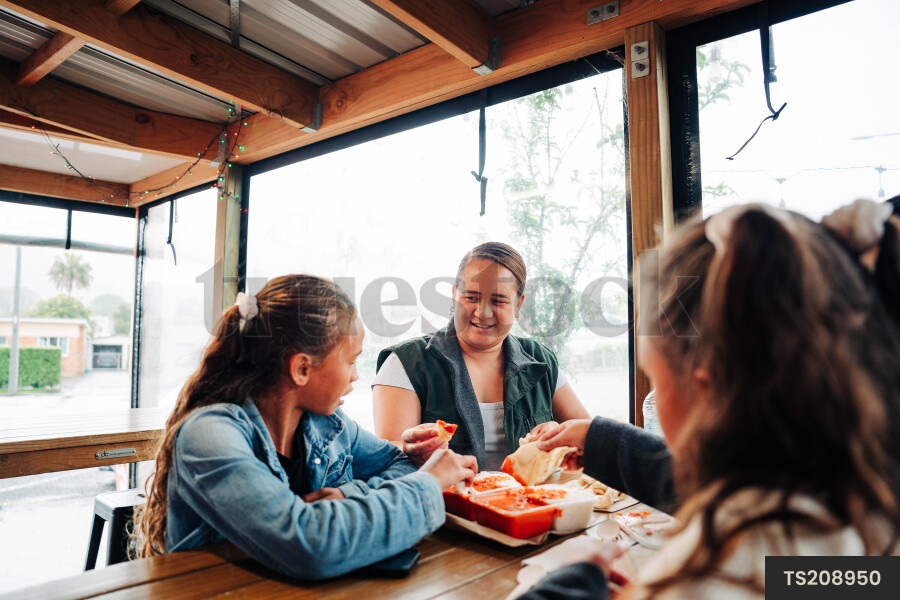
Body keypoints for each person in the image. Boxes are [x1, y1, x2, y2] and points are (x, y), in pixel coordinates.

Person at [520, 203, 900, 599]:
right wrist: (599, 440)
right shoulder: (864, 511)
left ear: (707, 388)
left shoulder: (709, 576)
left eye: (656, 377)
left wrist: (567, 588)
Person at [134, 275, 476, 580]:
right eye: (351, 361)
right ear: (301, 369)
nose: (356, 376)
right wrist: (429, 482)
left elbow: (397, 464)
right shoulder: (209, 435)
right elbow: (309, 544)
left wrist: (347, 494)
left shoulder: (329, 424)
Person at [372, 242, 591, 472]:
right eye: (472, 297)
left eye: (498, 301)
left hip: (530, 505)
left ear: (519, 305)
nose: (482, 312)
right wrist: (412, 450)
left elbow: (591, 441)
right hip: (445, 506)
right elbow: (385, 457)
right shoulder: (405, 363)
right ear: (454, 294)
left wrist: (558, 435)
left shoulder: (541, 361)